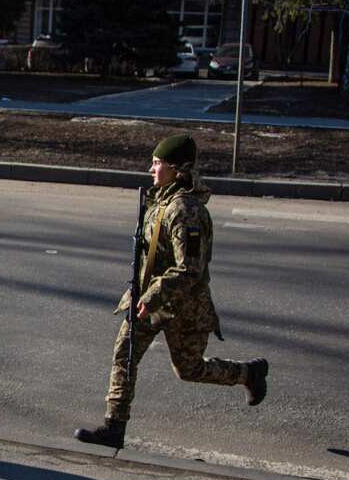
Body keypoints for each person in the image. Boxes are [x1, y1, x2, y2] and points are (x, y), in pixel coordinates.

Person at [74, 134, 270, 450]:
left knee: (189, 369)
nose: (151, 169)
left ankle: (249, 373)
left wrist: (153, 296)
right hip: (151, 303)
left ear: (176, 168)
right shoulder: (162, 199)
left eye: (157, 163)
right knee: (124, 353)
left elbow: (189, 269)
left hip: (183, 307)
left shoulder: (186, 211)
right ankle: (114, 427)